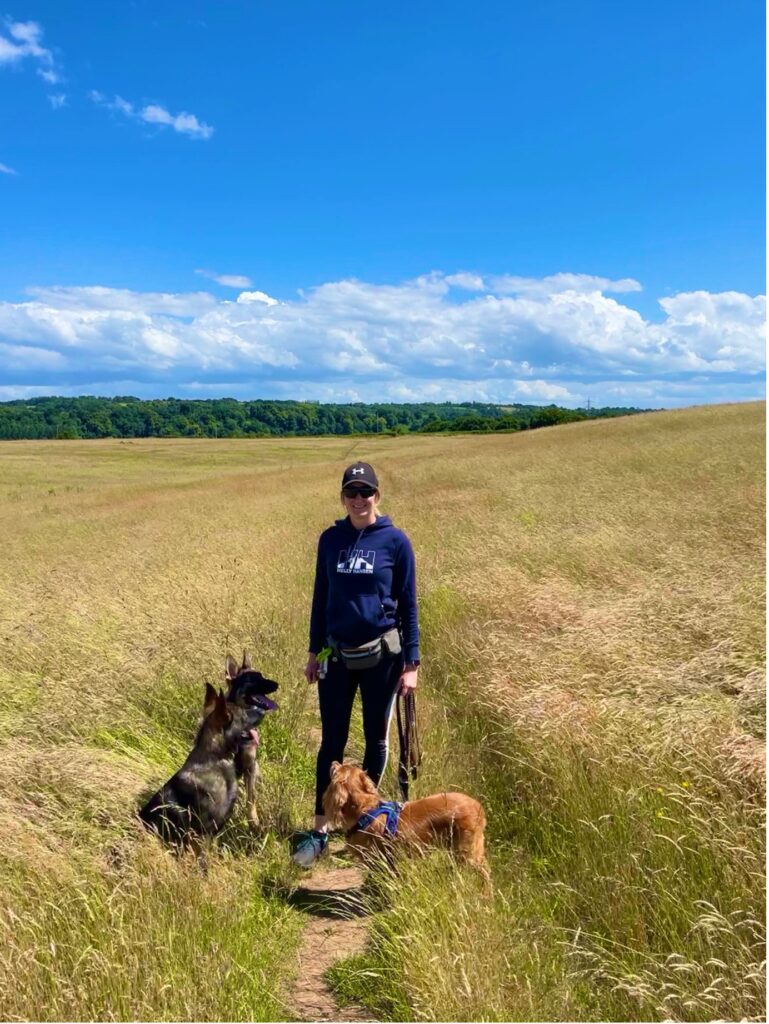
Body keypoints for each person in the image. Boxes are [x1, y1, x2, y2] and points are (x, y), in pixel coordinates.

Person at [292, 461, 420, 867]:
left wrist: (411, 663)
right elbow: (320, 599)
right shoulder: (330, 540)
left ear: (377, 496)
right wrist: (314, 652)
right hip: (338, 656)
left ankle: (370, 823)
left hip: (383, 657)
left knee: (376, 741)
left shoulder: (395, 541)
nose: (359, 499)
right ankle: (320, 830)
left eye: (366, 492)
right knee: (331, 741)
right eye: (352, 492)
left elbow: (410, 605)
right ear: (342, 497)